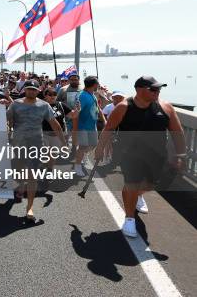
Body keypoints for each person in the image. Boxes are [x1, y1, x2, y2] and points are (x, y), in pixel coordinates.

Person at [94, 76, 186, 238]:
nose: (157, 92)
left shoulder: (165, 107)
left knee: (151, 184)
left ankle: (138, 195)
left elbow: (177, 133)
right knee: (131, 183)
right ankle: (129, 219)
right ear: (139, 90)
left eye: (159, 89)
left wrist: (181, 155)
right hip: (130, 155)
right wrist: (99, 149)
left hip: (157, 155)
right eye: (154, 89)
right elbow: (108, 129)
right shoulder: (123, 107)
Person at [6, 81, 66, 221]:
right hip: (18, 143)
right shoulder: (16, 104)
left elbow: (55, 125)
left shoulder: (44, 106)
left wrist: (63, 143)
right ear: (25, 90)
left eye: (34, 89)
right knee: (19, 172)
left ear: (38, 90)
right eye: (29, 89)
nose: (31, 91)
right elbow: (6, 119)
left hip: (36, 144)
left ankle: (30, 208)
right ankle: (21, 185)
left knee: (32, 175)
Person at [73, 76, 104, 177]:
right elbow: (76, 112)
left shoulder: (92, 95)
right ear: (94, 85)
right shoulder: (82, 96)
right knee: (82, 146)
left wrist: (104, 120)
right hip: (83, 127)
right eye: (97, 84)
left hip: (92, 126)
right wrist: (75, 128)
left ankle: (82, 156)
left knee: (94, 144)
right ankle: (77, 165)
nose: (98, 85)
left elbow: (98, 108)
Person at [42, 88, 77, 172]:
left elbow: (72, 115)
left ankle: (49, 170)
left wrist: (78, 110)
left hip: (57, 135)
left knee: (53, 155)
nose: (52, 96)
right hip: (44, 134)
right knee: (44, 155)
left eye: (54, 94)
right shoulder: (41, 106)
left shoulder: (61, 105)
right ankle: (42, 168)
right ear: (45, 96)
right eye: (50, 94)